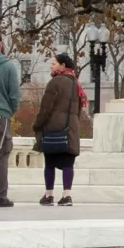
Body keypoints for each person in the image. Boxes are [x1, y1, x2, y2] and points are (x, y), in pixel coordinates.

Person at [33, 53, 87, 207]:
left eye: (54, 64)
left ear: (63, 65)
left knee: (50, 162)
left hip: (54, 126)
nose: (52, 66)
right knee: (68, 163)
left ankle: (49, 195)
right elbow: (78, 109)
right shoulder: (76, 84)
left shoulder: (55, 82)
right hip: (71, 128)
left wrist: (37, 124)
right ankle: (66, 196)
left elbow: (46, 107)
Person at [0, 35, 21, 209]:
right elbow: (14, 96)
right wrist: (9, 111)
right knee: (1, 156)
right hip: (0, 116)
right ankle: (0, 196)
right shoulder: (8, 67)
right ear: (0, 44)